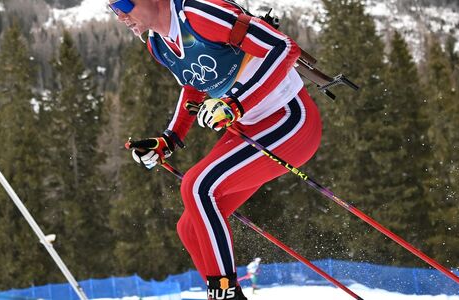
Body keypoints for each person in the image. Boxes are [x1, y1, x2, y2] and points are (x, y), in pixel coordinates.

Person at [114, 0, 322, 299]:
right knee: (189, 227)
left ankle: (223, 292)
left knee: (197, 187)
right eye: (112, 9)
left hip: (289, 118)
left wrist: (236, 103)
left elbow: (284, 48)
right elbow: (194, 86)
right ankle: (230, 294)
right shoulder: (158, 45)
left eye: (123, 4)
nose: (120, 16)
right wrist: (169, 139)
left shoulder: (198, 13)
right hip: (248, 130)